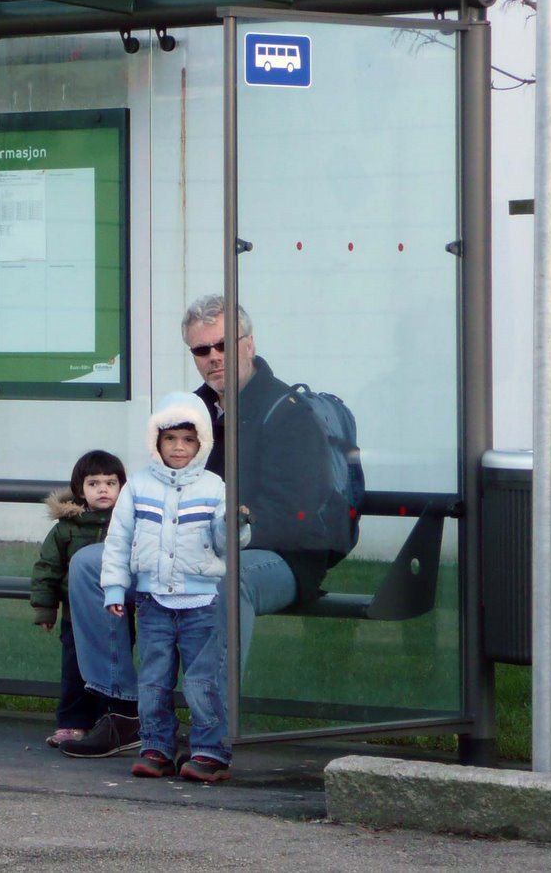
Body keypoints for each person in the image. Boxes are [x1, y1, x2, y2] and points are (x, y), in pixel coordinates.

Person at [59, 294, 337, 759]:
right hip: (187, 549)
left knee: (232, 579)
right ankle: (125, 711)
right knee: (90, 564)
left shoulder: (289, 412)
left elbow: (297, 513)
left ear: (248, 344)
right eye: (201, 350)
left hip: (279, 557)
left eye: (223, 345)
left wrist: (224, 530)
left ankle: (215, 730)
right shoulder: (191, 410)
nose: (213, 358)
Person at [100, 392, 244, 782]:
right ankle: (157, 747)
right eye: (170, 439)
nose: (178, 448)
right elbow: (118, 540)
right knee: (153, 679)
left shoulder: (216, 487)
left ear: (202, 444)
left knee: (202, 681)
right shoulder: (138, 486)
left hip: (202, 603)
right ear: (156, 441)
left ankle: (210, 750)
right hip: (152, 602)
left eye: (188, 439)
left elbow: (226, 543)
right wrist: (115, 588)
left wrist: (235, 524)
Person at [30, 449, 126, 748]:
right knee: (75, 671)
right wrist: (46, 609)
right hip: (76, 617)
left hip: (118, 615)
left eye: (110, 483)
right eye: (94, 483)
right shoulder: (66, 529)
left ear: (122, 487)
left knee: (113, 668)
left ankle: (106, 721)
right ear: (79, 489)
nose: (103, 490)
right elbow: (47, 569)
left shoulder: (126, 524)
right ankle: (72, 723)